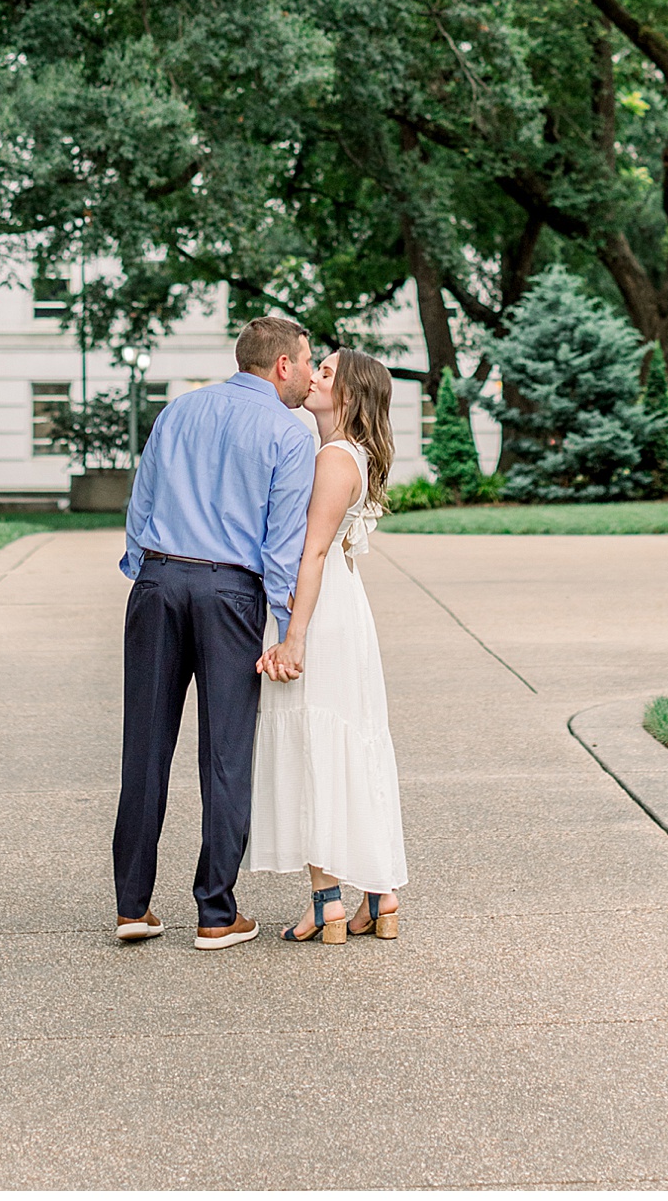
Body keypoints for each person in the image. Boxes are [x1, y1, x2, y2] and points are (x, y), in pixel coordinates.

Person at [113, 316, 317, 949]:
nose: (311, 375)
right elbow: (283, 546)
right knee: (225, 751)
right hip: (229, 589)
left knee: (144, 746)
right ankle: (216, 912)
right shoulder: (290, 433)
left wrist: (144, 572)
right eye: (307, 361)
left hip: (158, 582)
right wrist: (285, 629)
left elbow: (140, 504)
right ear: (282, 365)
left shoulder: (178, 411)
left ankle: (131, 906)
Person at [248, 346, 408, 942]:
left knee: (318, 746)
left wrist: (293, 637)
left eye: (327, 372)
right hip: (341, 604)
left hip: (319, 609)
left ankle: (326, 902)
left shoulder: (335, 458)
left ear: (350, 394)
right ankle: (380, 895)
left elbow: (311, 551)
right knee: (350, 742)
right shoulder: (347, 454)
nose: (314, 376)